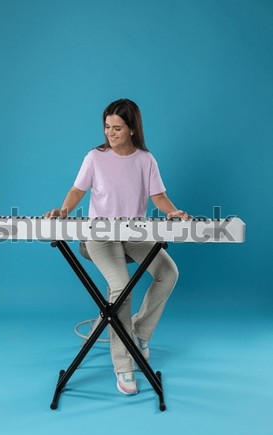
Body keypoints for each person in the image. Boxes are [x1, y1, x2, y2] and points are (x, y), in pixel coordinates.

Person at [45, 99, 188, 396]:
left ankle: (139, 334)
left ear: (133, 129)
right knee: (121, 286)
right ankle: (124, 366)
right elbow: (77, 190)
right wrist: (64, 210)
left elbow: (158, 196)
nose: (110, 133)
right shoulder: (95, 157)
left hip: (134, 234)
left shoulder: (145, 160)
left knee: (168, 272)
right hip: (100, 236)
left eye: (117, 128)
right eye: (107, 127)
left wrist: (172, 212)